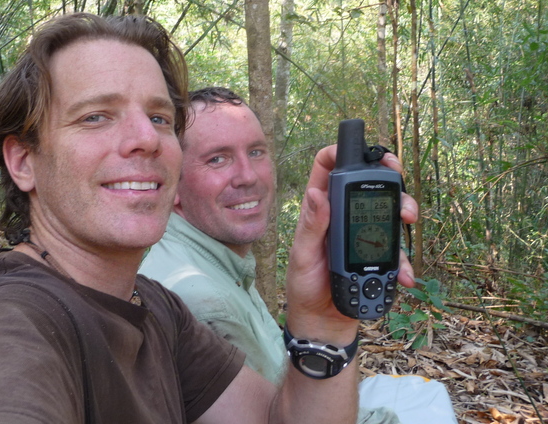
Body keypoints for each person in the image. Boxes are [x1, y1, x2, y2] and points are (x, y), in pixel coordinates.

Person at [0, 13, 413, 424]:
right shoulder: (9, 325)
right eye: (95, 116)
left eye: (159, 118)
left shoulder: (155, 308)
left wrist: (323, 324)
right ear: (23, 161)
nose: (146, 138)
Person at [141, 87, 457, 424]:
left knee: (427, 391)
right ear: (172, 182)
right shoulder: (204, 299)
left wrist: (325, 320)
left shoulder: (209, 260)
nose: (248, 175)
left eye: (257, 152)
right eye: (217, 158)